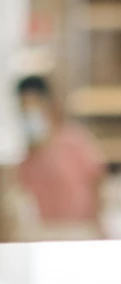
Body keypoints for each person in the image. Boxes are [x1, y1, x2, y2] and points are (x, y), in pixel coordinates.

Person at [14, 76, 105, 240]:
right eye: (24, 107)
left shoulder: (75, 140)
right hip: (45, 231)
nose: (29, 112)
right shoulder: (27, 153)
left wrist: (98, 224)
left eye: (34, 105)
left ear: (49, 104)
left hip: (79, 229)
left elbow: (97, 181)